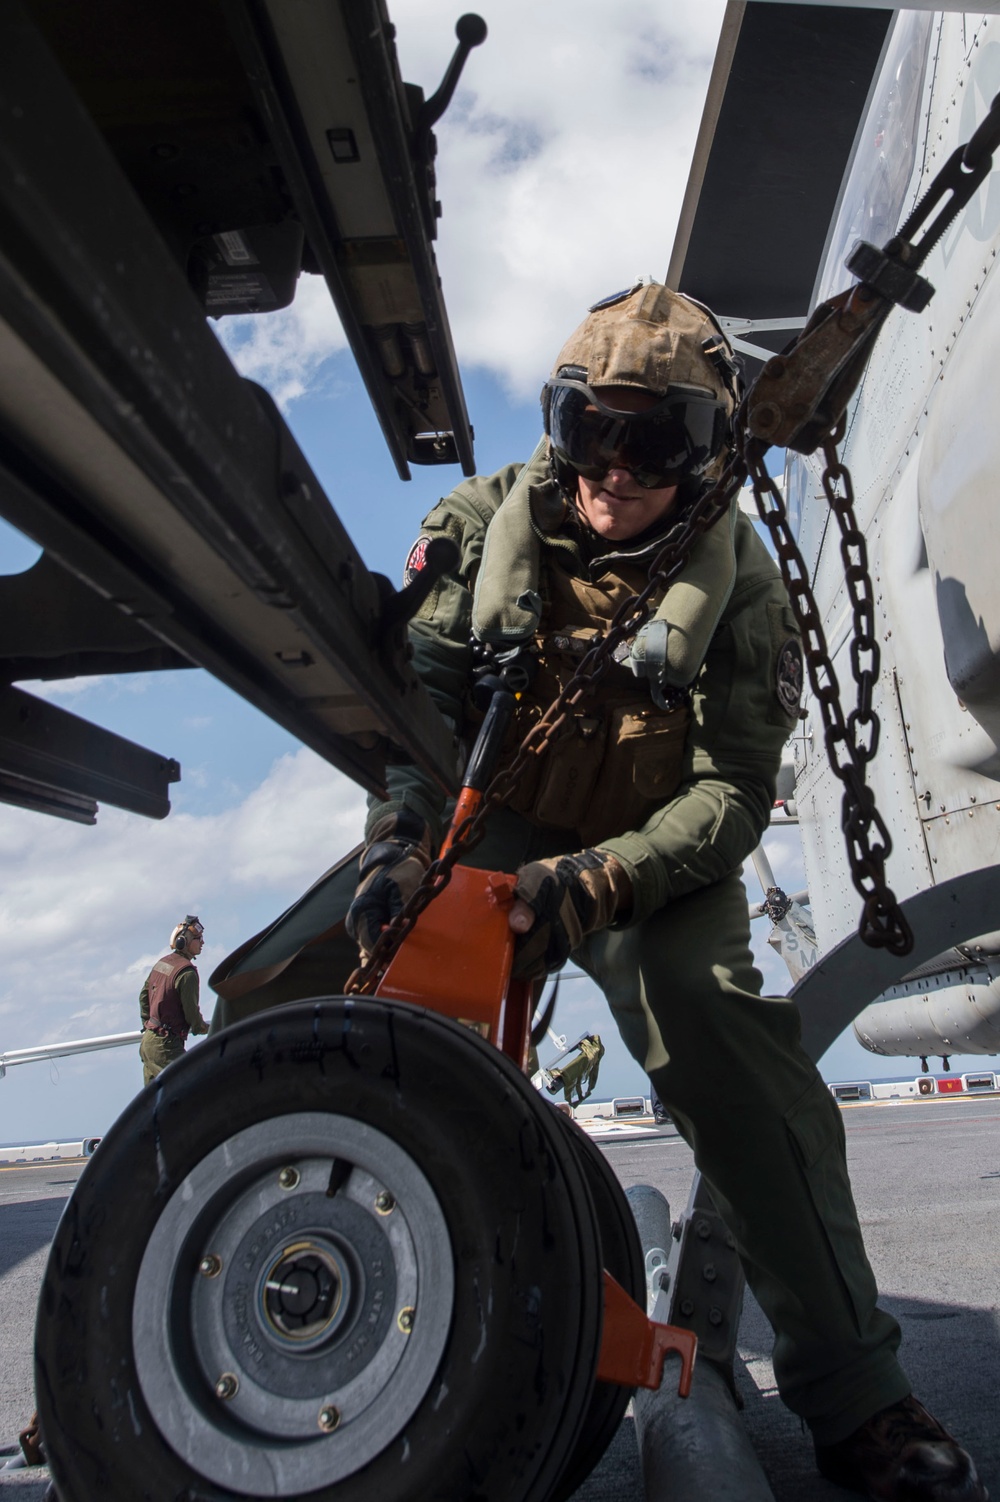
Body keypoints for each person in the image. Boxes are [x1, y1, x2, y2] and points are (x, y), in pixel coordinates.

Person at [345, 281, 985, 1502]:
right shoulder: (477, 530)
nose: (618, 469)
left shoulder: (739, 586)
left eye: (659, 441)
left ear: (707, 453)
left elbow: (734, 793)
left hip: (649, 857)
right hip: (497, 819)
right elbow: (411, 716)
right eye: (596, 430)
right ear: (559, 425)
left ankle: (857, 1395)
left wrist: (600, 881)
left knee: (727, 1037)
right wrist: (393, 838)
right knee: (337, 995)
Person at [139, 915, 209, 1085]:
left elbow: (143, 997)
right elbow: (192, 1015)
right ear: (183, 942)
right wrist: (206, 1028)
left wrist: (149, 1025)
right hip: (166, 1047)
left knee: (157, 1103)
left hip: (148, 1043)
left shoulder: (162, 964)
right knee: (195, 1086)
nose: (202, 943)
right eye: (198, 939)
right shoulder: (187, 973)